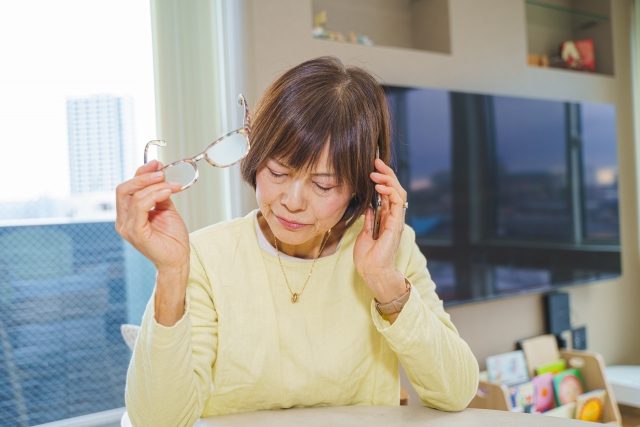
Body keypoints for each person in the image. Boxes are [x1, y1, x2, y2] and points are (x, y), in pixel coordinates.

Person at [116, 56, 479, 427]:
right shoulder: (207, 257)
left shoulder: (389, 249)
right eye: (277, 171)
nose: (292, 201)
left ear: (362, 185)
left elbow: (455, 392)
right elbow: (157, 422)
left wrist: (384, 280)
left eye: (323, 185)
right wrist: (172, 271)